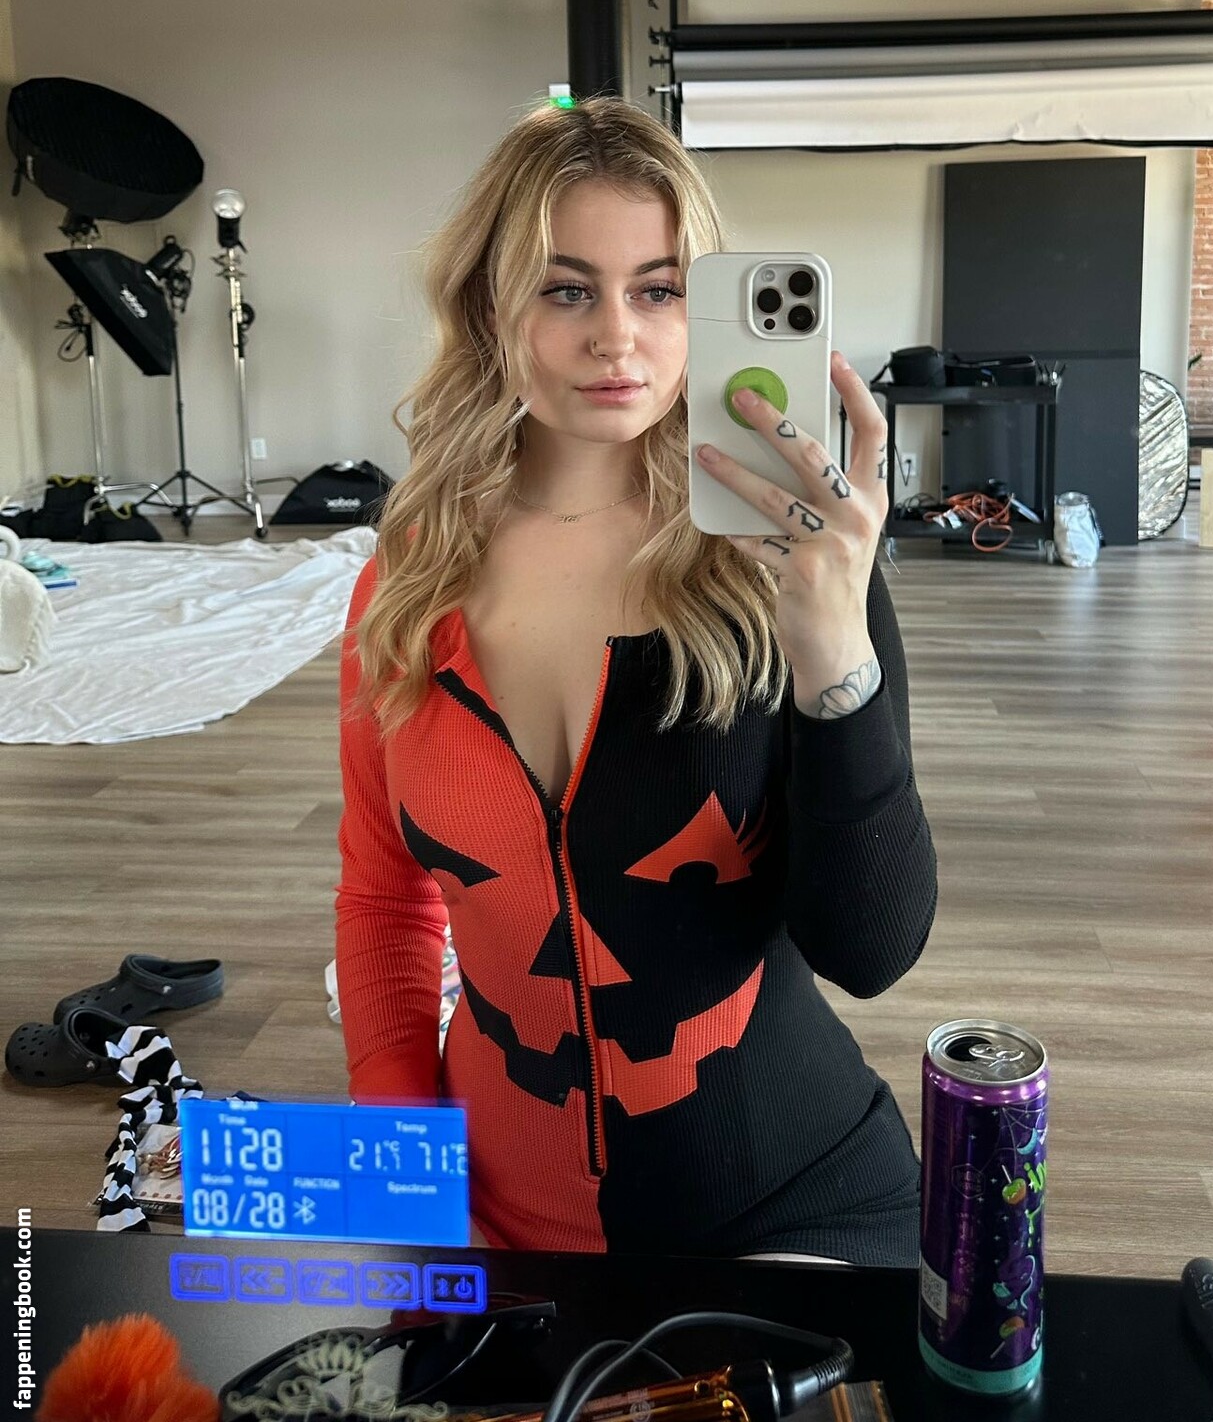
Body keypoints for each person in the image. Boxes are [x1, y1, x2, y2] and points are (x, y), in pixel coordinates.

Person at [335, 97, 938, 1265]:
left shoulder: (790, 562)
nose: (616, 337)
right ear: (490, 305)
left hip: (790, 1203)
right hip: (487, 1208)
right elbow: (382, 901)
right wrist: (405, 1180)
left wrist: (834, 648)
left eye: (658, 291)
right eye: (566, 290)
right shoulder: (403, 586)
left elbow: (871, 951)